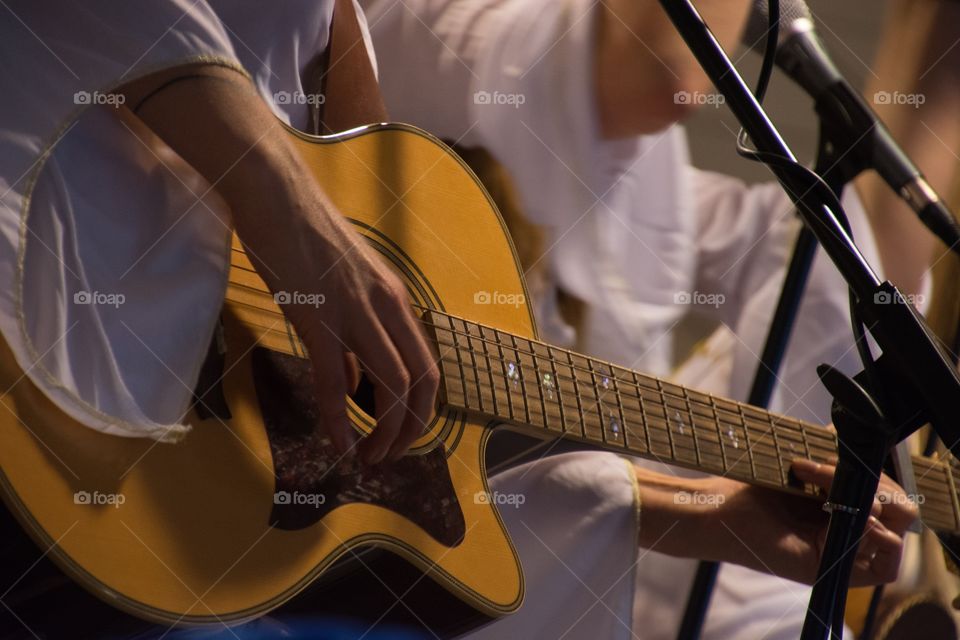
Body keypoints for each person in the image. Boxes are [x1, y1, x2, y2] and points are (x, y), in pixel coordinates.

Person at [0, 1, 914, 638]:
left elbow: (396, 511)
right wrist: (280, 197)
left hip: (162, 522)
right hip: (36, 314)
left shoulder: (346, 43)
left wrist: (698, 511)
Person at [361, 0, 922, 637]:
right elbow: (664, 76)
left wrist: (747, 495)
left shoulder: (641, 180)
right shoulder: (429, 28)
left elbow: (811, 253)